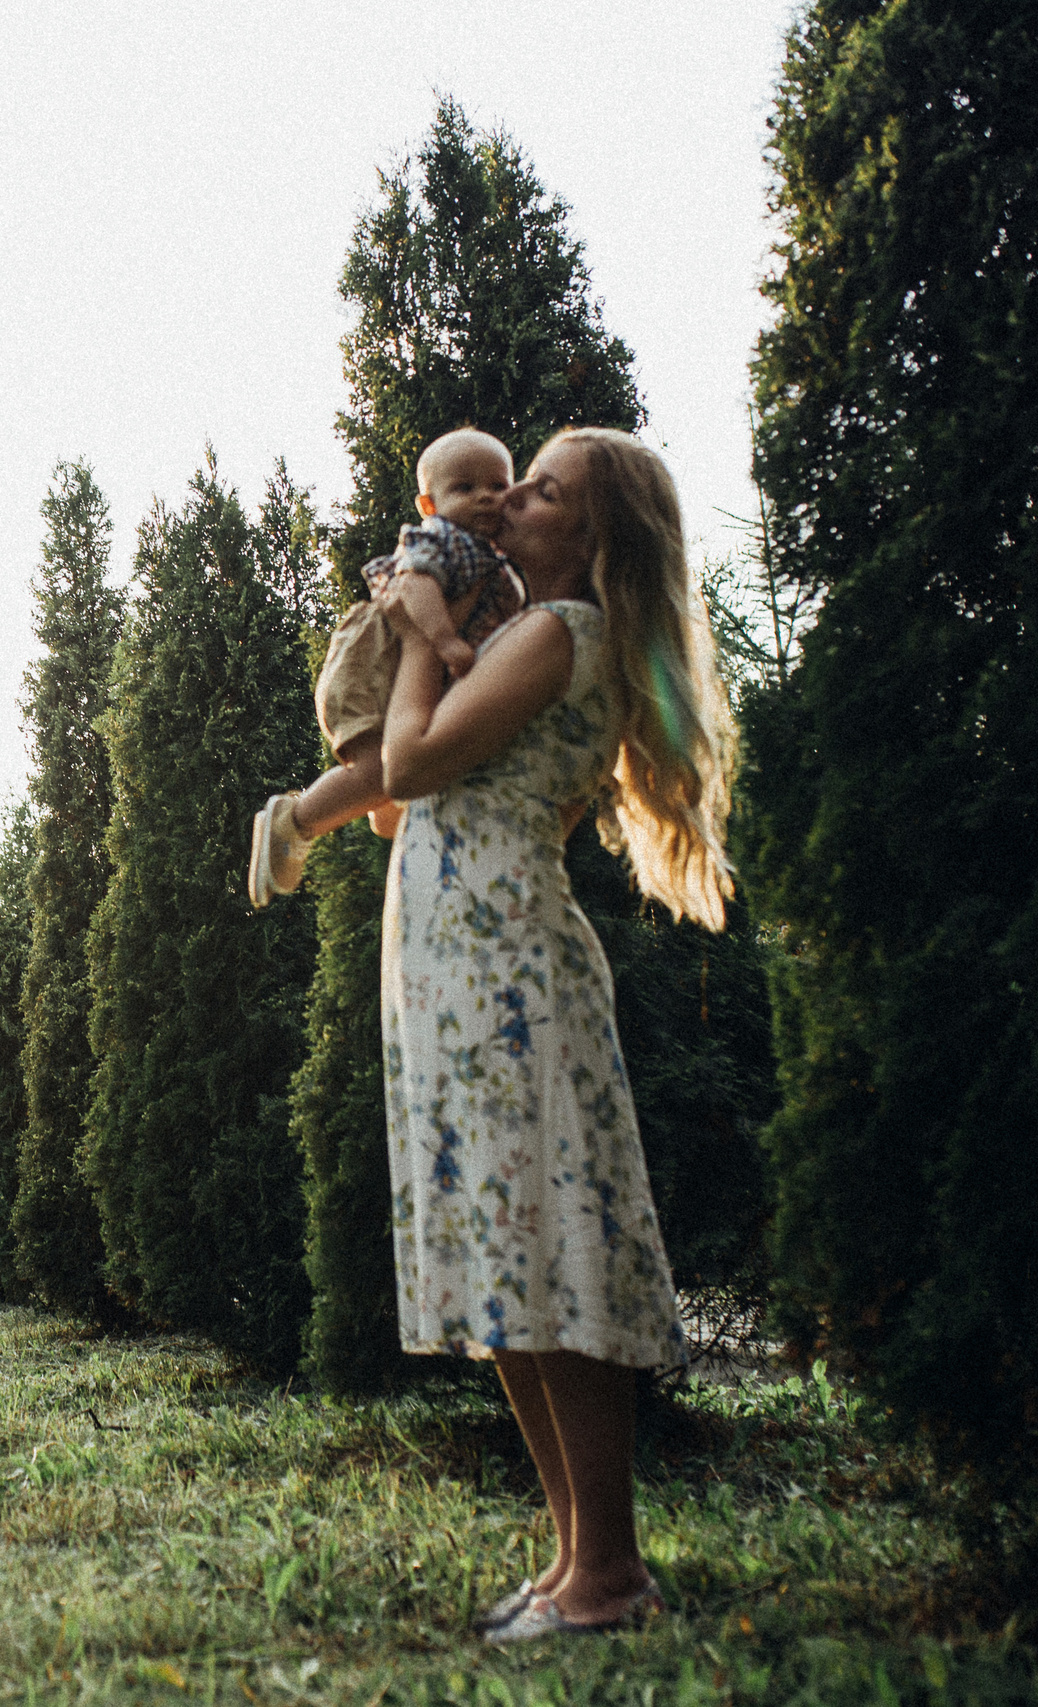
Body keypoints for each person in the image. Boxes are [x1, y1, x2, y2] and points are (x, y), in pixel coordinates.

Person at [373, 427, 734, 1644]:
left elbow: (409, 759)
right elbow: (393, 809)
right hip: (464, 966)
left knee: (547, 1256)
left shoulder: (556, 632)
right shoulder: (539, 631)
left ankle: (610, 1572)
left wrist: (418, 632)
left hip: (502, 973)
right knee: (508, 1264)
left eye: (541, 491)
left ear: (589, 535)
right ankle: (577, 1556)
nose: (511, 499)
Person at [248, 428, 526, 907]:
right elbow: (414, 586)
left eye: (499, 486)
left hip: (407, 674)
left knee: (401, 790)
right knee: (379, 768)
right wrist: (443, 639)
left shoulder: (495, 563)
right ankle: (294, 821)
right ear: (429, 505)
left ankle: (389, 826)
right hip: (375, 661)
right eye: (464, 488)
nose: (485, 497)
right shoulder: (443, 539)